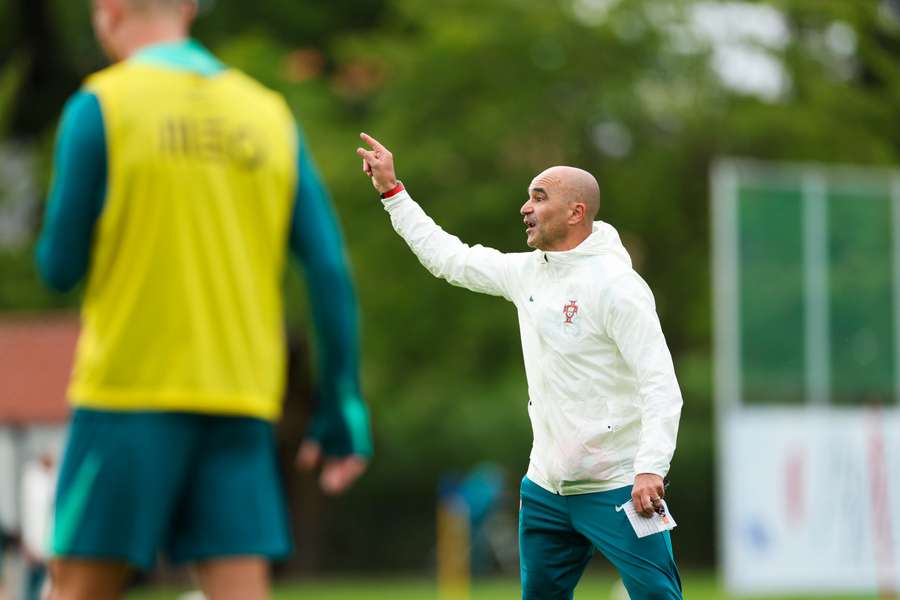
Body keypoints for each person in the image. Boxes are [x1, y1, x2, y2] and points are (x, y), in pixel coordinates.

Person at [34, 1, 372, 598]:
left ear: (107, 10)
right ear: (189, 7)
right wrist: (340, 396)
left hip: (128, 392)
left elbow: (58, 268)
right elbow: (327, 267)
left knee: (78, 588)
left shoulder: (102, 105)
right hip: (238, 400)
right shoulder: (267, 112)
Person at [357, 133, 683, 599]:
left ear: (576, 212)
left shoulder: (618, 287)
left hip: (619, 487)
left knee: (658, 597)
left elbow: (660, 385)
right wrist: (393, 193)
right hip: (546, 490)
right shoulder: (526, 272)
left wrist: (650, 467)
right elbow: (449, 259)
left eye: (539, 197)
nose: (525, 207)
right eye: (527, 197)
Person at [21, 451, 58, 600]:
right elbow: (26, 511)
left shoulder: (57, 476)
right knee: (31, 590)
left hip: (53, 547)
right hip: (33, 546)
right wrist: (27, 543)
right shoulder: (31, 476)